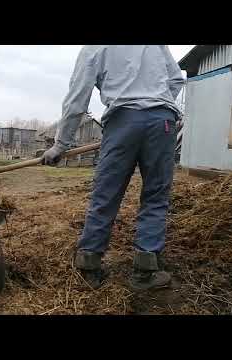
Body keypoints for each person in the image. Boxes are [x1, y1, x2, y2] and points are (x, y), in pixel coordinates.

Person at [42, 46, 184, 290]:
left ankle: (88, 266)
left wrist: (60, 144)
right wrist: (156, 104)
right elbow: (175, 79)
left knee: (105, 195)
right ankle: (146, 270)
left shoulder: (95, 48)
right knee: (155, 197)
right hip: (162, 122)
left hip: (122, 122)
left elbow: (78, 97)